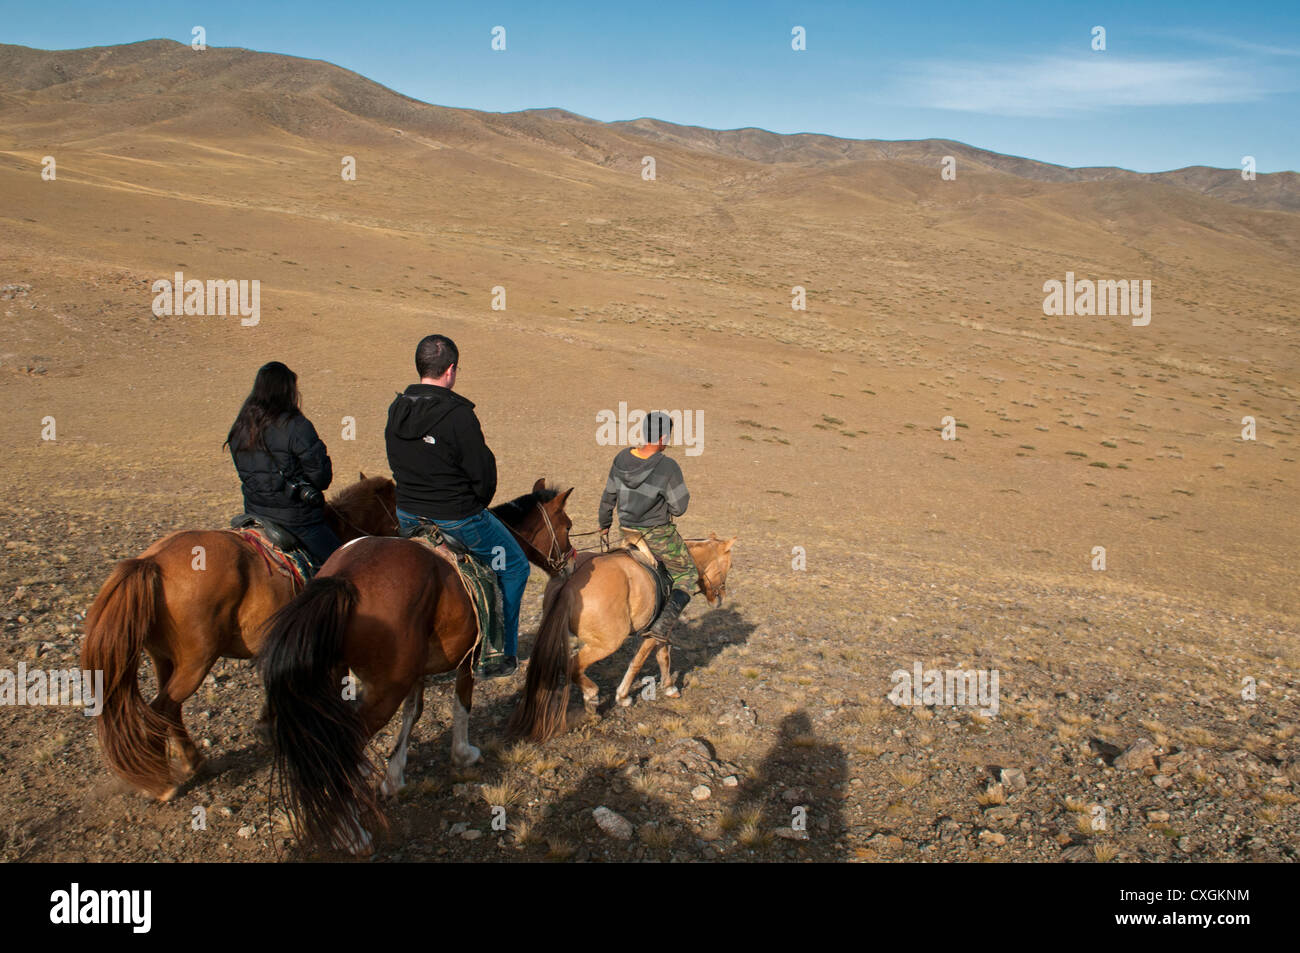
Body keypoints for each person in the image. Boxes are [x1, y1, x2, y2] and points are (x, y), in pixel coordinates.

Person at [384, 334, 527, 678]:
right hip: (457, 518)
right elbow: (482, 474)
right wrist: (474, 504)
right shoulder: (459, 415)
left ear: (420, 367)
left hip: (407, 516)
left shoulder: (397, 408)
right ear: (450, 370)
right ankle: (499, 652)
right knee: (515, 566)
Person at [226, 361, 339, 567]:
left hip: (254, 514)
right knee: (345, 566)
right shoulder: (296, 426)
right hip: (297, 521)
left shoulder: (241, 426)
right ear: (287, 390)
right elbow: (321, 478)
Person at [598, 411, 697, 642]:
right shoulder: (668, 466)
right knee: (688, 573)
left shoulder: (621, 458)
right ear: (662, 438)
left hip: (627, 532)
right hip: (657, 535)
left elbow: (608, 495)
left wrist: (604, 525)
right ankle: (662, 627)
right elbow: (679, 508)